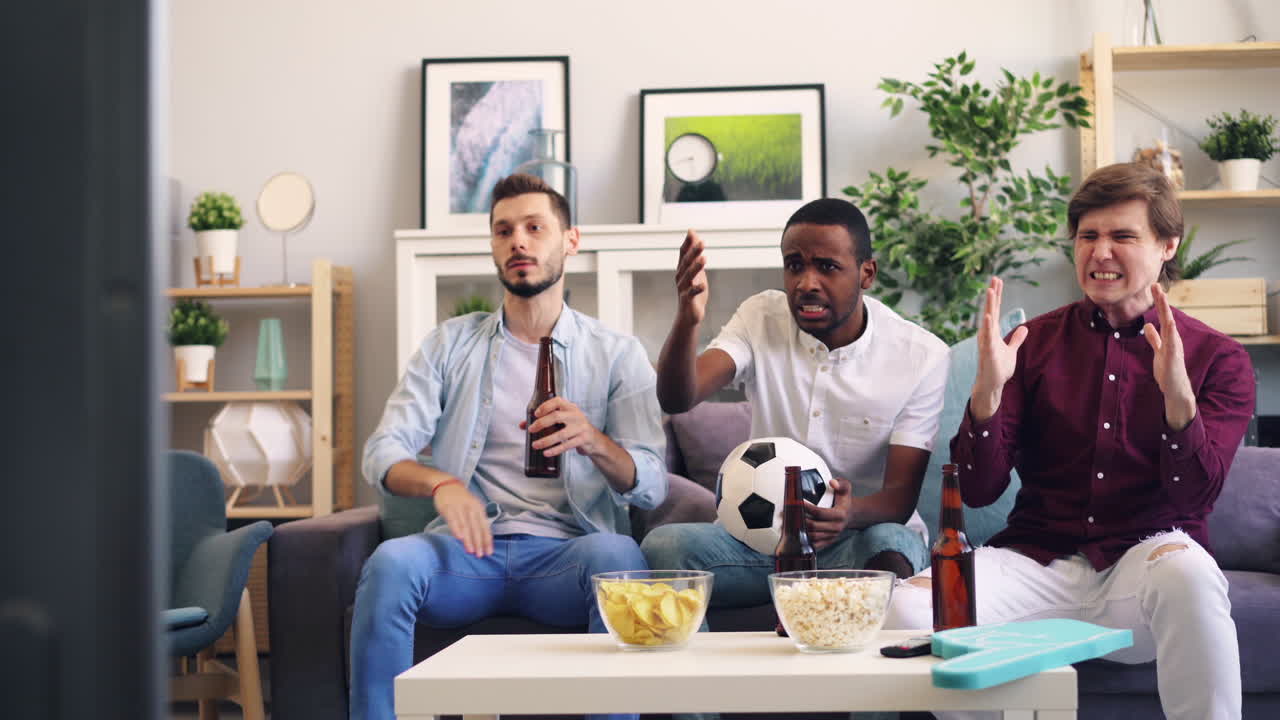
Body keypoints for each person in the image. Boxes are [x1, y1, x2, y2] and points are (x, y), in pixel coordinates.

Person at [884, 163, 1254, 720]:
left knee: (1192, 573)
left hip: (1143, 570)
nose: (1101, 252)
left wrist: (1180, 406)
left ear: (1166, 246)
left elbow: (1192, 502)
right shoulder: (1030, 345)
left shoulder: (1218, 359)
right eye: (1088, 236)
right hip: (1037, 563)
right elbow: (980, 491)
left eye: (1123, 236)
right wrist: (985, 395)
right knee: (909, 608)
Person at [350, 173, 667, 720]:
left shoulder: (617, 353)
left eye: (534, 227)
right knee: (392, 562)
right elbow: (382, 451)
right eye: (503, 231)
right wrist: (441, 484)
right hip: (467, 554)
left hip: (569, 554)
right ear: (494, 248)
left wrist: (593, 440)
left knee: (620, 558)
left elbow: (653, 481)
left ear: (570, 241)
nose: (518, 241)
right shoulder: (448, 345)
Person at [641, 197, 950, 611]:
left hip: (858, 541)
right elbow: (678, 397)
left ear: (866, 273)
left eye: (827, 267)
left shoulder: (921, 355)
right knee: (666, 545)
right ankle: (707, 673)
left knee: (892, 545)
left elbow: (898, 497)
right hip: (760, 544)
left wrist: (848, 514)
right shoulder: (760, 317)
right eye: (794, 265)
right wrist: (688, 319)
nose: (806, 282)